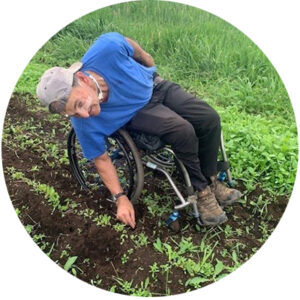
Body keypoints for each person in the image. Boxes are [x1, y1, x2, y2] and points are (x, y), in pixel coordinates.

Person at [36, 32, 242, 229]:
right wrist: (120, 198)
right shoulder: (83, 123)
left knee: (209, 118)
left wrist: (146, 59)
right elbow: (102, 160)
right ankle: (202, 191)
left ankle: (211, 179)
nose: (85, 115)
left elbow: (129, 45)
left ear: (82, 78)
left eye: (80, 103)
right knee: (183, 130)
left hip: (155, 87)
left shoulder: (105, 50)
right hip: (137, 112)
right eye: (74, 113)